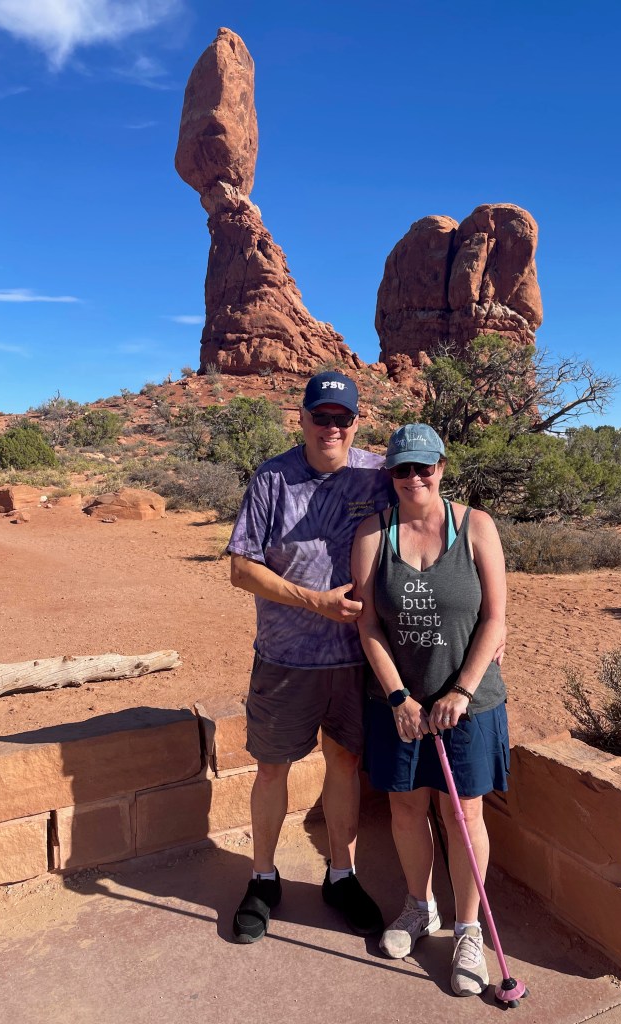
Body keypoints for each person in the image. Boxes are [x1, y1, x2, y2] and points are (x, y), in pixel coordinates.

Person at [227, 370, 394, 943]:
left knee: (345, 764)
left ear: (356, 422)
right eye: (320, 416)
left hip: (356, 658)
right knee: (273, 767)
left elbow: (429, 519)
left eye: (341, 418)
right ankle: (263, 877)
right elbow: (240, 568)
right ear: (301, 418)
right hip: (286, 657)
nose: (331, 427)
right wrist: (313, 601)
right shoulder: (274, 477)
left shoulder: (377, 473)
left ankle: (341, 875)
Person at [351, 422, 509, 996]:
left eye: (424, 467)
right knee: (404, 810)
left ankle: (469, 929)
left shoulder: (476, 526)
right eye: (402, 469)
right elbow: (368, 624)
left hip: (468, 702)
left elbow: (495, 619)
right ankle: (420, 907)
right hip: (399, 705)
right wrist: (398, 696)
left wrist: (460, 692)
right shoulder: (373, 532)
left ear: (441, 467)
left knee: (464, 816)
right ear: (389, 474)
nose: (413, 478)